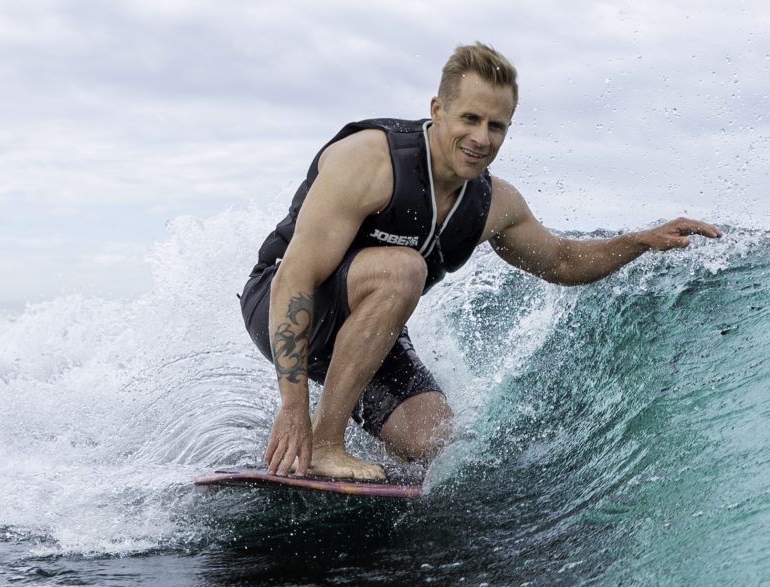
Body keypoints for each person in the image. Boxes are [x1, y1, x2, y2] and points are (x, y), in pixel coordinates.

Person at [242, 42, 721, 482]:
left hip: (369, 332)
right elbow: (296, 277)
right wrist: (292, 407)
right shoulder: (371, 161)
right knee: (403, 269)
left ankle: (345, 457)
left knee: (439, 444)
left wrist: (638, 240)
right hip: (281, 303)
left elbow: (563, 260)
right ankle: (325, 443)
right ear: (438, 110)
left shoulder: (493, 205)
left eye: (496, 126)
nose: (481, 138)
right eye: (469, 119)